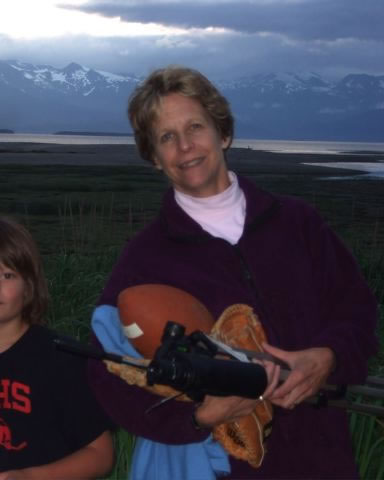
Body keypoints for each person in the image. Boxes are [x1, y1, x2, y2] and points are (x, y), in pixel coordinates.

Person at [87, 66, 379, 479]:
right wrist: (196, 420)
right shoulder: (145, 259)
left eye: (195, 127)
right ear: (154, 157)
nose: (185, 146)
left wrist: (328, 358)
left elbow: (358, 310)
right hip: (227, 468)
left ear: (222, 133)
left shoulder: (298, 223)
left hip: (323, 460)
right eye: (166, 137)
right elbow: (105, 371)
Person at [0, 215, 114, 480]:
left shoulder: (62, 358)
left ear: (28, 287)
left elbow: (100, 454)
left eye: (7, 275)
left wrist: (29, 477)